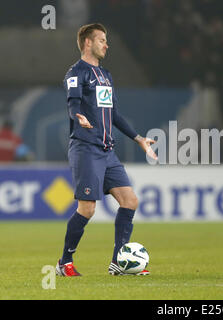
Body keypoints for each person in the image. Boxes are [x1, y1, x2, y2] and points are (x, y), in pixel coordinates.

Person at [56, 23, 158, 277]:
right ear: (88, 43)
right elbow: (73, 103)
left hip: (106, 151)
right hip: (85, 149)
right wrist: (78, 116)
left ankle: (119, 263)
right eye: (102, 39)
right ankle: (64, 263)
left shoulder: (106, 76)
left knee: (130, 201)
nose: (106, 44)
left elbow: (113, 114)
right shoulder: (75, 72)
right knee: (87, 209)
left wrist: (138, 139)